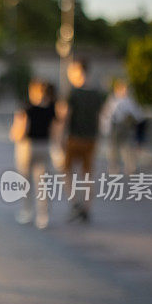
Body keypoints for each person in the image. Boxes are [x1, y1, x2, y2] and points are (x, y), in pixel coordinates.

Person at [57, 58, 106, 223]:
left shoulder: (73, 93)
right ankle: (86, 208)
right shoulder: (97, 93)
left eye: (72, 71)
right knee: (87, 175)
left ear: (78, 70)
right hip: (91, 139)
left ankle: (75, 203)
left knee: (67, 171)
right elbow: (100, 118)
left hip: (74, 138)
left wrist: (60, 138)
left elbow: (65, 116)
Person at [9, 79, 57, 229]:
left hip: (27, 146)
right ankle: (43, 216)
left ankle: (27, 212)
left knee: (26, 182)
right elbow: (55, 130)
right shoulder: (51, 108)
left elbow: (21, 129)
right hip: (45, 146)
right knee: (43, 184)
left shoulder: (26, 108)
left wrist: (14, 135)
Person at [100, 78, 142, 175]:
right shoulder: (114, 100)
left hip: (124, 126)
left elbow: (137, 114)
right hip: (116, 126)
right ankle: (114, 166)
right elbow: (107, 114)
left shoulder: (127, 101)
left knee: (126, 147)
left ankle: (130, 167)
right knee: (114, 148)